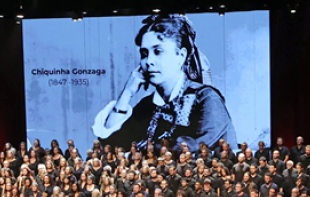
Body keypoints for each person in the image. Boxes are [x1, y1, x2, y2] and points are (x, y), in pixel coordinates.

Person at [92, 14, 236, 152]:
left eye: (158, 51)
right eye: (144, 54)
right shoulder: (147, 106)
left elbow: (190, 149)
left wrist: (143, 149)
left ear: (181, 55)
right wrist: (127, 93)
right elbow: (112, 146)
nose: (149, 61)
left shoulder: (206, 99)